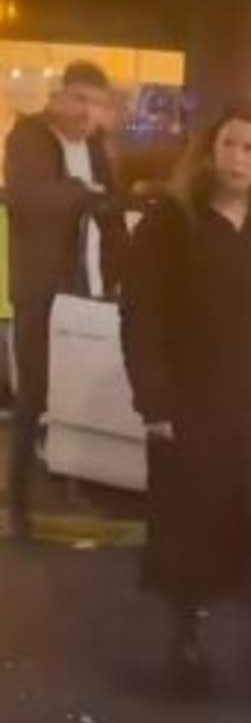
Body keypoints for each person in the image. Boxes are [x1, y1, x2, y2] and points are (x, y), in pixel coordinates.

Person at [120, 103, 251, 701]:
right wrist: (153, 401)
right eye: (230, 145)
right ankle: (186, 644)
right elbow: (142, 316)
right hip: (192, 405)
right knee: (192, 533)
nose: (239, 158)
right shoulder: (169, 223)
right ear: (210, 152)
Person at [5, 60, 127, 540]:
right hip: (41, 289)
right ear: (56, 97)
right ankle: (18, 502)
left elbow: (112, 209)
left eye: (95, 103)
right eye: (78, 99)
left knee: (81, 389)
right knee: (33, 393)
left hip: (90, 286)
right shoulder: (28, 137)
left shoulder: (97, 148)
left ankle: (73, 484)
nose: (86, 112)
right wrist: (81, 193)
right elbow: (29, 198)